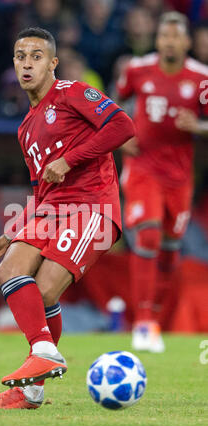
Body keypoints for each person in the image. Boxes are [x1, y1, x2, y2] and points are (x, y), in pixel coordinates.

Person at [0, 27, 134, 409]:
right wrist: (6, 238)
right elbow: (42, 193)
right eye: (20, 56)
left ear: (52, 63)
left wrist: (69, 159)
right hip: (54, 209)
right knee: (10, 270)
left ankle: (36, 373)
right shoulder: (25, 129)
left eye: (36, 56)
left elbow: (124, 126)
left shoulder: (73, 93)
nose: (27, 63)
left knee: (43, 292)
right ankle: (35, 381)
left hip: (92, 206)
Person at [116, 11, 208, 353]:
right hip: (143, 168)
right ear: (158, 40)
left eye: (175, 37)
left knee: (170, 252)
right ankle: (141, 323)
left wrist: (197, 126)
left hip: (180, 178)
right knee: (149, 234)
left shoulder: (201, 79)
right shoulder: (138, 69)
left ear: (186, 42)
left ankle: (152, 319)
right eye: (163, 36)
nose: (168, 42)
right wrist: (120, 134)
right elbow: (113, 101)